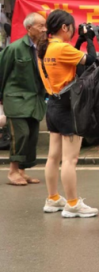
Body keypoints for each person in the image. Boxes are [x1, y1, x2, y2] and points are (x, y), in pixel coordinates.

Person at [38, 9, 99, 217]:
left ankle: (53, 198)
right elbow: (92, 60)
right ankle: (72, 204)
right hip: (68, 107)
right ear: (64, 27)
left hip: (53, 105)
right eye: (72, 28)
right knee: (70, 160)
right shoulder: (62, 48)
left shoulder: (44, 48)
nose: (73, 31)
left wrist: (79, 41)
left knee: (53, 157)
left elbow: (69, 61)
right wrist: (89, 39)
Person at [0, 13, 47, 186]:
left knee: (32, 136)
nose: (44, 30)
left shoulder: (42, 48)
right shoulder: (14, 48)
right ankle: (12, 171)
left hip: (34, 100)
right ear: (29, 28)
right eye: (41, 26)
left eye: (45, 26)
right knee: (21, 134)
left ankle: (22, 171)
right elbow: (2, 72)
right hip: (16, 99)